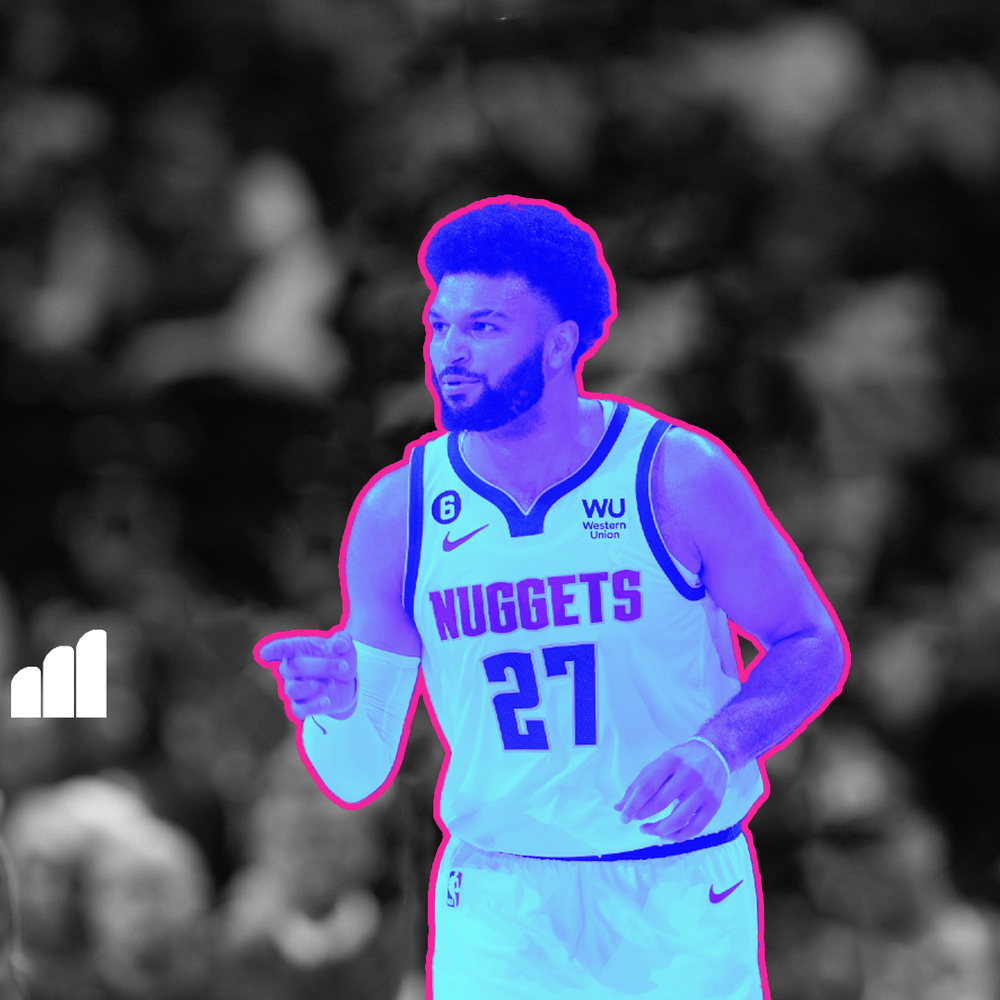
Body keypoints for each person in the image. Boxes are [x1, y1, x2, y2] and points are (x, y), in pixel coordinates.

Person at [256, 196, 849, 999]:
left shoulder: (676, 475)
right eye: (440, 326)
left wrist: (721, 747)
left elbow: (811, 644)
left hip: (674, 887)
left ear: (562, 341)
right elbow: (357, 775)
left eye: (485, 327)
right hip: (498, 903)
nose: (451, 351)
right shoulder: (399, 511)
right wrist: (333, 710)